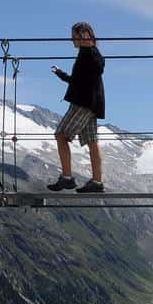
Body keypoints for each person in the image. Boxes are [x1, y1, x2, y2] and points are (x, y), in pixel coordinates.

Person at [48, 22, 106, 193]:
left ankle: (67, 178)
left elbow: (99, 67)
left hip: (83, 103)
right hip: (92, 103)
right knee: (92, 141)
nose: (71, 39)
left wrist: (89, 45)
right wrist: (61, 74)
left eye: (74, 35)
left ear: (84, 34)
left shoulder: (90, 53)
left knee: (60, 134)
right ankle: (97, 182)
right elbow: (78, 80)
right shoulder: (85, 53)